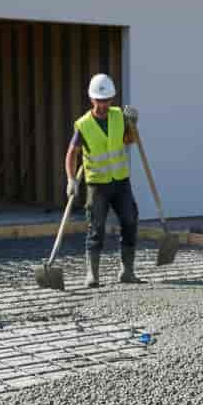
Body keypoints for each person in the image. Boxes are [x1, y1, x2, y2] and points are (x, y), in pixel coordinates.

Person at [65, 74, 142, 288]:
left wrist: (133, 125)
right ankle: (93, 275)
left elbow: (128, 140)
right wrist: (71, 179)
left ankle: (127, 271)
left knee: (129, 220)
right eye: (100, 100)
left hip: (120, 182)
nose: (104, 104)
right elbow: (72, 153)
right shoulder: (83, 124)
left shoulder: (119, 116)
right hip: (97, 185)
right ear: (92, 99)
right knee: (96, 227)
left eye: (107, 100)